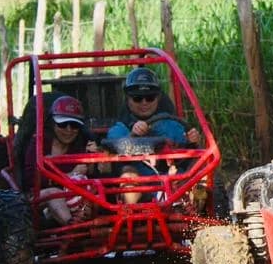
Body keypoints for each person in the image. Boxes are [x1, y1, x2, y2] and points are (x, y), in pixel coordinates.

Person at [105, 67, 201, 204]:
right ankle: (134, 217)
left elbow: (190, 156)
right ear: (128, 99)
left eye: (150, 97)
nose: (144, 103)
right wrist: (133, 135)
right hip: (141, 189)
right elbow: (113, 151)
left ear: (158, 98)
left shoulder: (172, 125)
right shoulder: (119, 129)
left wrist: (193, 141)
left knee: (203, 164)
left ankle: (189, 206)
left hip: (175, 182)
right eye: (137, 98)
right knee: (127, 173)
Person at [23, 95, 97, 225]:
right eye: (62, 124)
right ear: (53, 123)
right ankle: (71, 225)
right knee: (54, 193)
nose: (68, 130)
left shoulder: (80, 145)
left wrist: (93, 160)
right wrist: (68, 176)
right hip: (40, 195)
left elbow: (90, 177)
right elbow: (29, 178)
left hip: (73, 197)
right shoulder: (40, 143)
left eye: (74, 125)